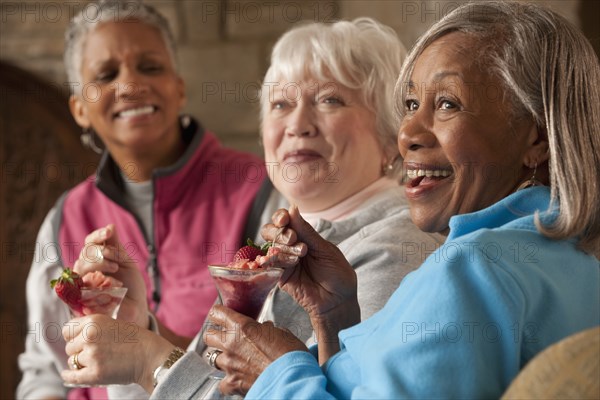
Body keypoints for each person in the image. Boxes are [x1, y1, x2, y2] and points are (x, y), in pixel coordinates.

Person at [193, 1, 599, 398]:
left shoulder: (472, 269)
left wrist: (274, 374)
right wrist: (334, 321)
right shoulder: (571, 257)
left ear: (538, 139)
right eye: (410, 105)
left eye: (446, 104)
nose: (408, 133)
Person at [58, 17, 444, 397]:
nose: (297, 123)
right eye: (279, 104)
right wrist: (135, 328)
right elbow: (200, 386)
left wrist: (149, 361)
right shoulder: (281, 245)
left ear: (391, 136)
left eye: (329, 99)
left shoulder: (398, 249)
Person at [16, 1, 270, 399]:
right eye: (106, 74)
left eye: (150, 67)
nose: (130, 84)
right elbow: (46, 372)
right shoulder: (65, 218)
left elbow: (273, 363)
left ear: (179, 86)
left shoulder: (256, 191)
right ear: (79, 109)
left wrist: (143, 339)